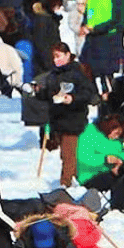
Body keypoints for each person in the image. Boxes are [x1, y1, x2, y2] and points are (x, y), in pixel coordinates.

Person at [35, 43, 98, 187]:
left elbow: (88, 94)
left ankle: (65, 184)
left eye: (58, 56)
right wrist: (39, 91)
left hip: (73, 118)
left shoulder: (78, 73)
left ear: (68, 55)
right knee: (66, 153)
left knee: (68, 154)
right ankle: (75, 179)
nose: (55, 60)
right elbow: (50, 94)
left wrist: (72, 98)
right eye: (54, 57)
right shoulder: (53, 74)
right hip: (57, 118)